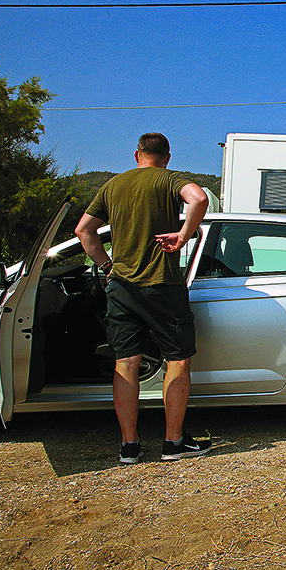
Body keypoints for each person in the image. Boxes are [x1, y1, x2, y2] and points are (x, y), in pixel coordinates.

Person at [75, 133, 211, 465]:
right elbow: (198, 198)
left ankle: (129, 446)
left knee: (126, 364)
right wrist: (183, 235)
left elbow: (83, 231)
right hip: (163, 285)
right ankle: (173, 442)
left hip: (121, 287)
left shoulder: (112, 186)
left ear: (137, 155)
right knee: (177, 361)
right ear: (167, 157)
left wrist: (107, 266)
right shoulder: (168, 180)